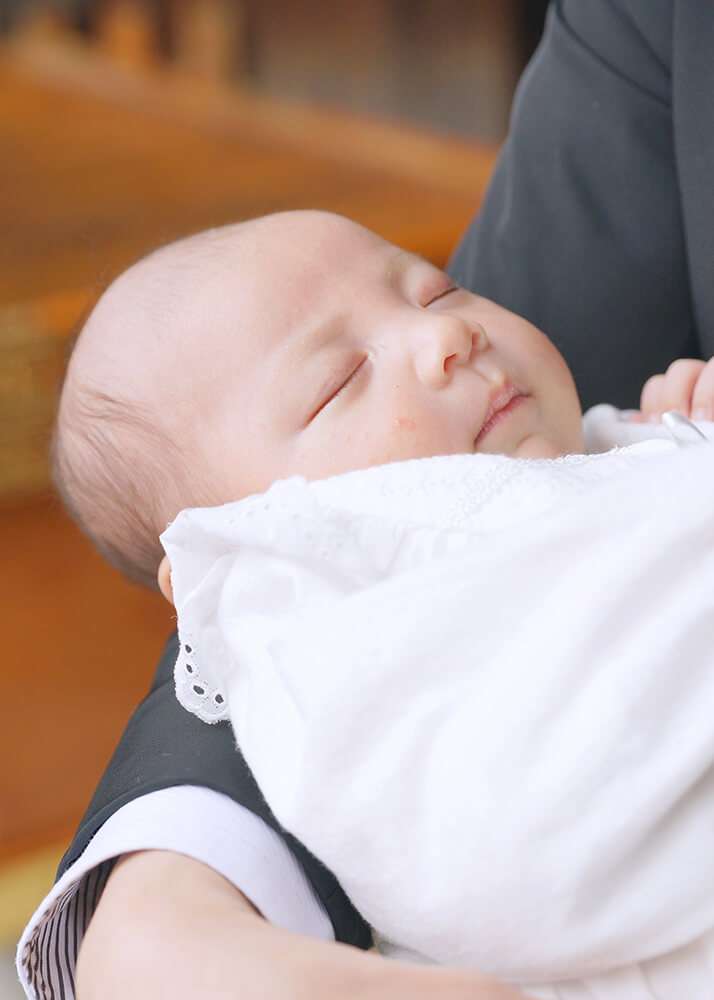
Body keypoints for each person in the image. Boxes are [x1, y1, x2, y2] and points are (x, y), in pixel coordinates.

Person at [16, 1, 714, 997]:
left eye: (434, 291)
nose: (447, 336)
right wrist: (163, 910)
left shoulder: (566, 458)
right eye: (340, 383)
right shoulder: (365, 656)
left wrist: (679, 447)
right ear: (242, 554)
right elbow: (536, 822)